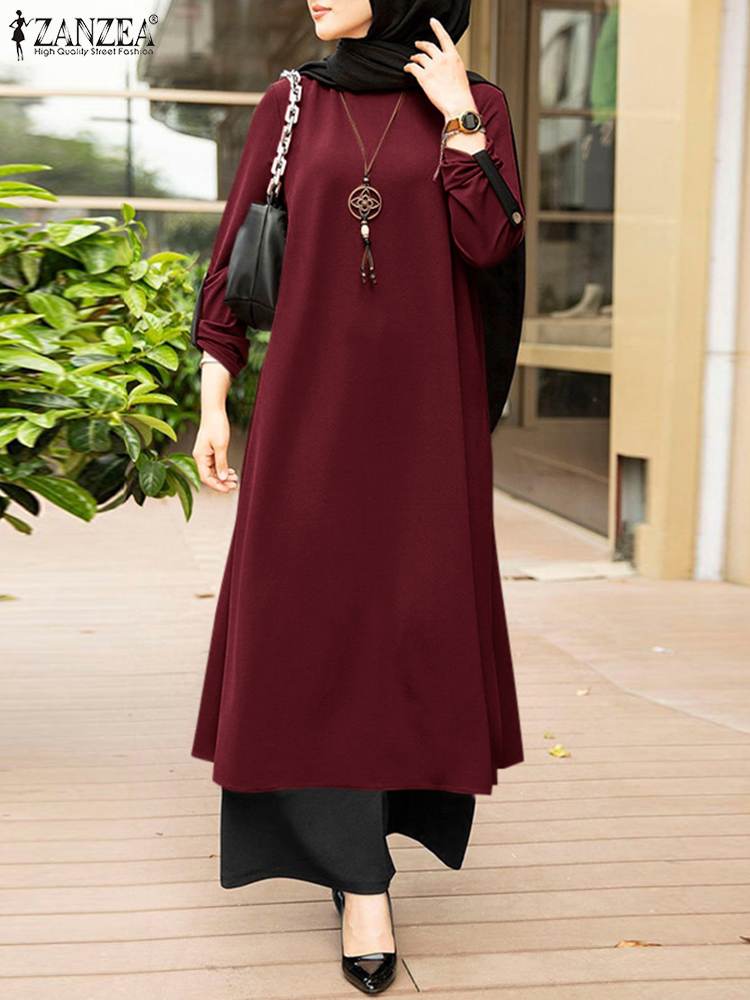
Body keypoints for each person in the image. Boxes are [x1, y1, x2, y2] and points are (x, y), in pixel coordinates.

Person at [190, 1, 526, 993]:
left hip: (428, 425)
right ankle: (359, 880)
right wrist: (214, 400)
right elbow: (236, 257)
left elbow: (490, 245)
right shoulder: (293, 100)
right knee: (309, 628)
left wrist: (457, 116)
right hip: (309, 416)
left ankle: (373, 847)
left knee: (407, 628)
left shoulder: (479, 103)